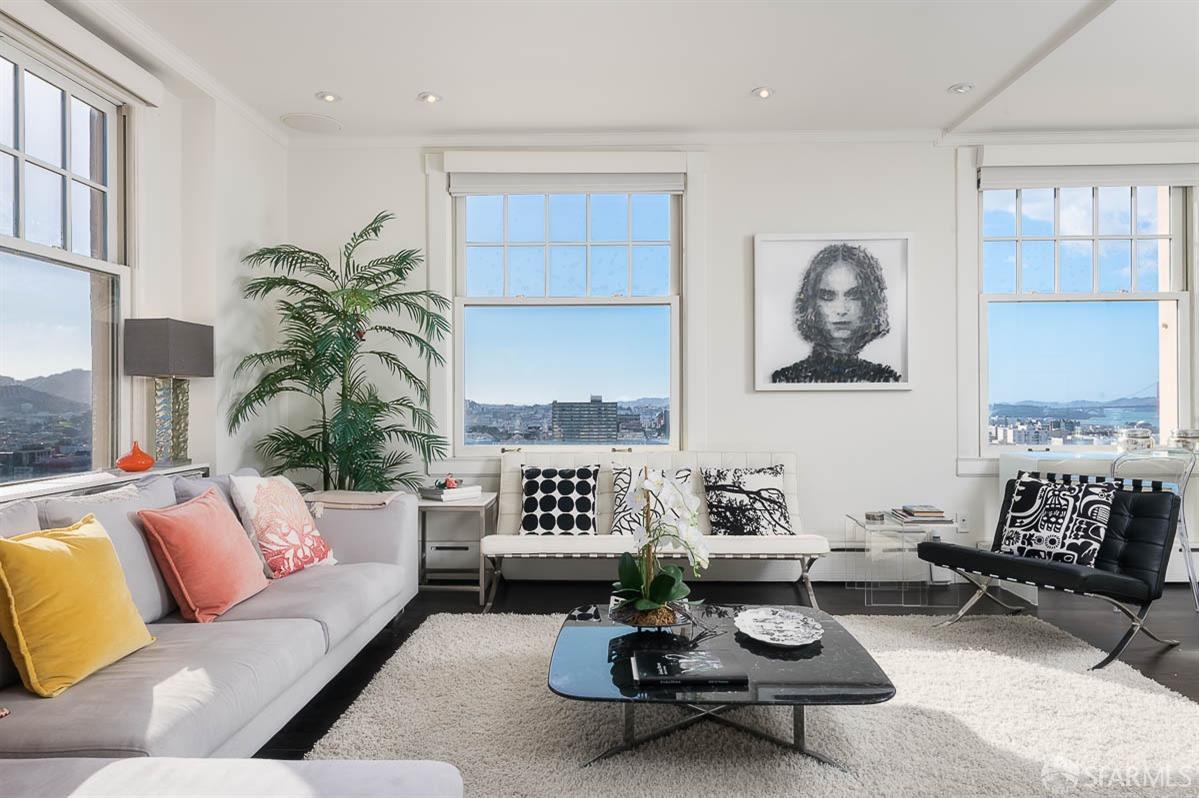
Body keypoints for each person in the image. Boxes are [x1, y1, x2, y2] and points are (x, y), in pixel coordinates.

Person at [772, 243, 902, 384]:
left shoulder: (886, 380)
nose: (841, 310)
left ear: (869, 302)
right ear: (812, 304)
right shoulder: (786, 380)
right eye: (828, 296)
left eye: (854, 295)